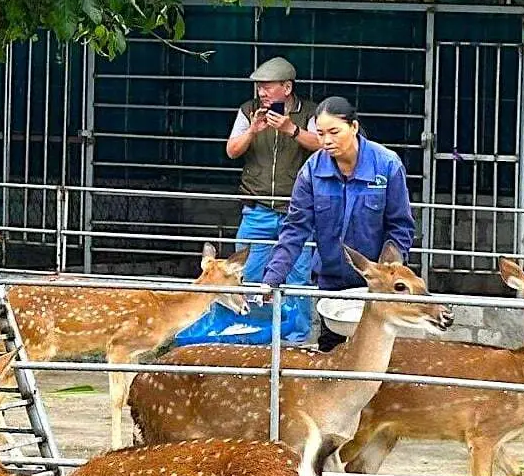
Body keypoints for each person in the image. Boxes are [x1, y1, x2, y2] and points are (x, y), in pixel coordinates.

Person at [175, 56, 319, 346]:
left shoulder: (310, 113)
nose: (261, 92)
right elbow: (232, 150)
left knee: (298, 277)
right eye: (259, 87)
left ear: (287, 88)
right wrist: (253, 130)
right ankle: (252, 334)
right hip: (257, 209)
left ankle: (298, 339)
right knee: (248, 273)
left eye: (267, 87)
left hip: (297, 211)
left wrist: (291, 129)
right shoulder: (248, 110)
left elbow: (322, 146)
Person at [262, 96, 417, 351]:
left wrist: (386, 271)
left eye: (334, 132)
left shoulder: (387, 165)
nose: (326, 141)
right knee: (331, 351)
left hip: (377, 284)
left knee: (378, 351)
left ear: (353, 127)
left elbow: (400, 226)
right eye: (320, 133)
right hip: (331, 280)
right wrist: (272, 278)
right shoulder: (312, 171)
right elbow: (295, 228)